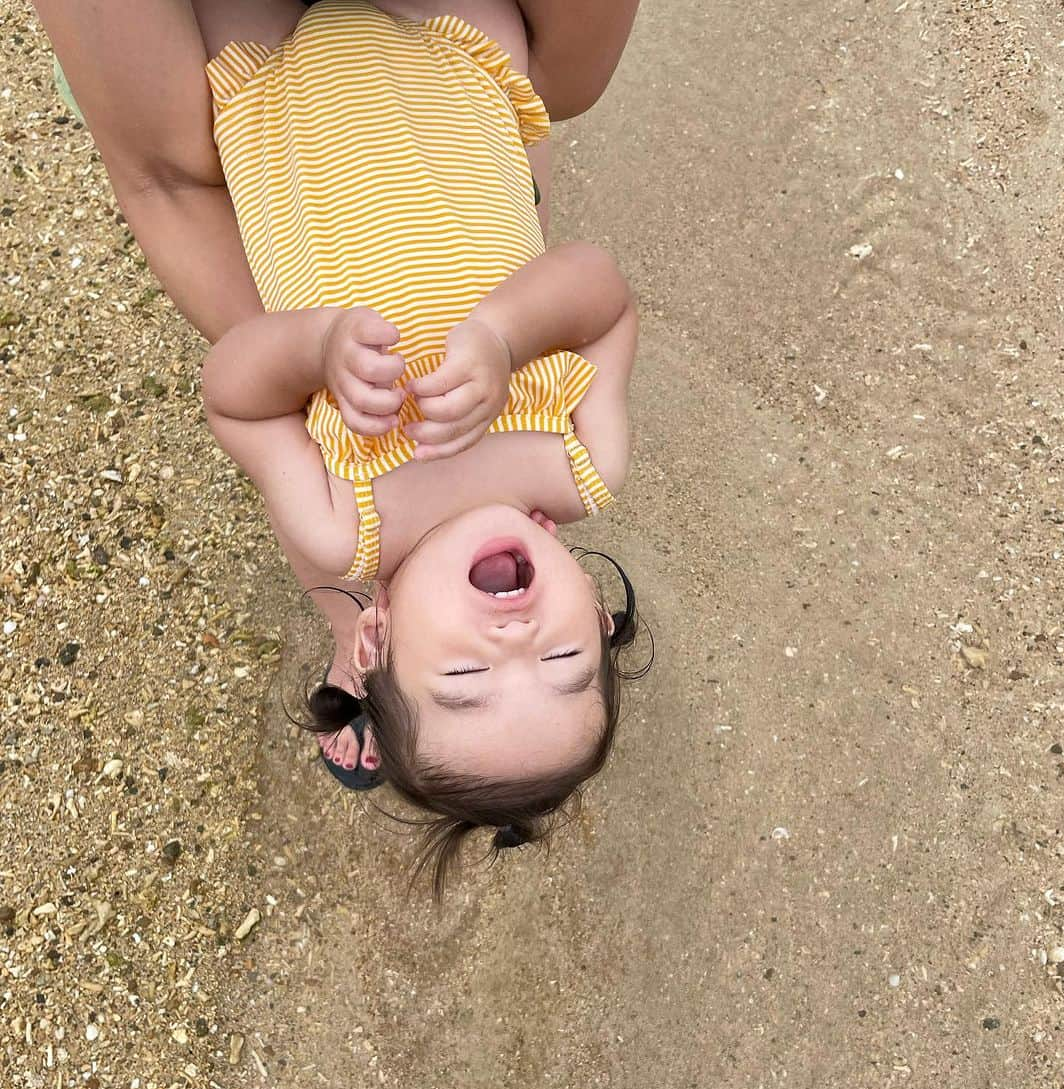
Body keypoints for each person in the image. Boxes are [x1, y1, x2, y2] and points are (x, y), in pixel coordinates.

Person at [33, 0, 649, 892]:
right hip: (449, 51)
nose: (514, 636)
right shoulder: (584, 462)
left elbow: (236, 402)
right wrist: (508, 337)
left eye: (467, 673)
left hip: (277, 89)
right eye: (562, 659)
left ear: (381, 638)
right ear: (595, 612)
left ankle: (344, 626)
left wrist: (313, 350)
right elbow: (603, 293)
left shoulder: (339, 529)